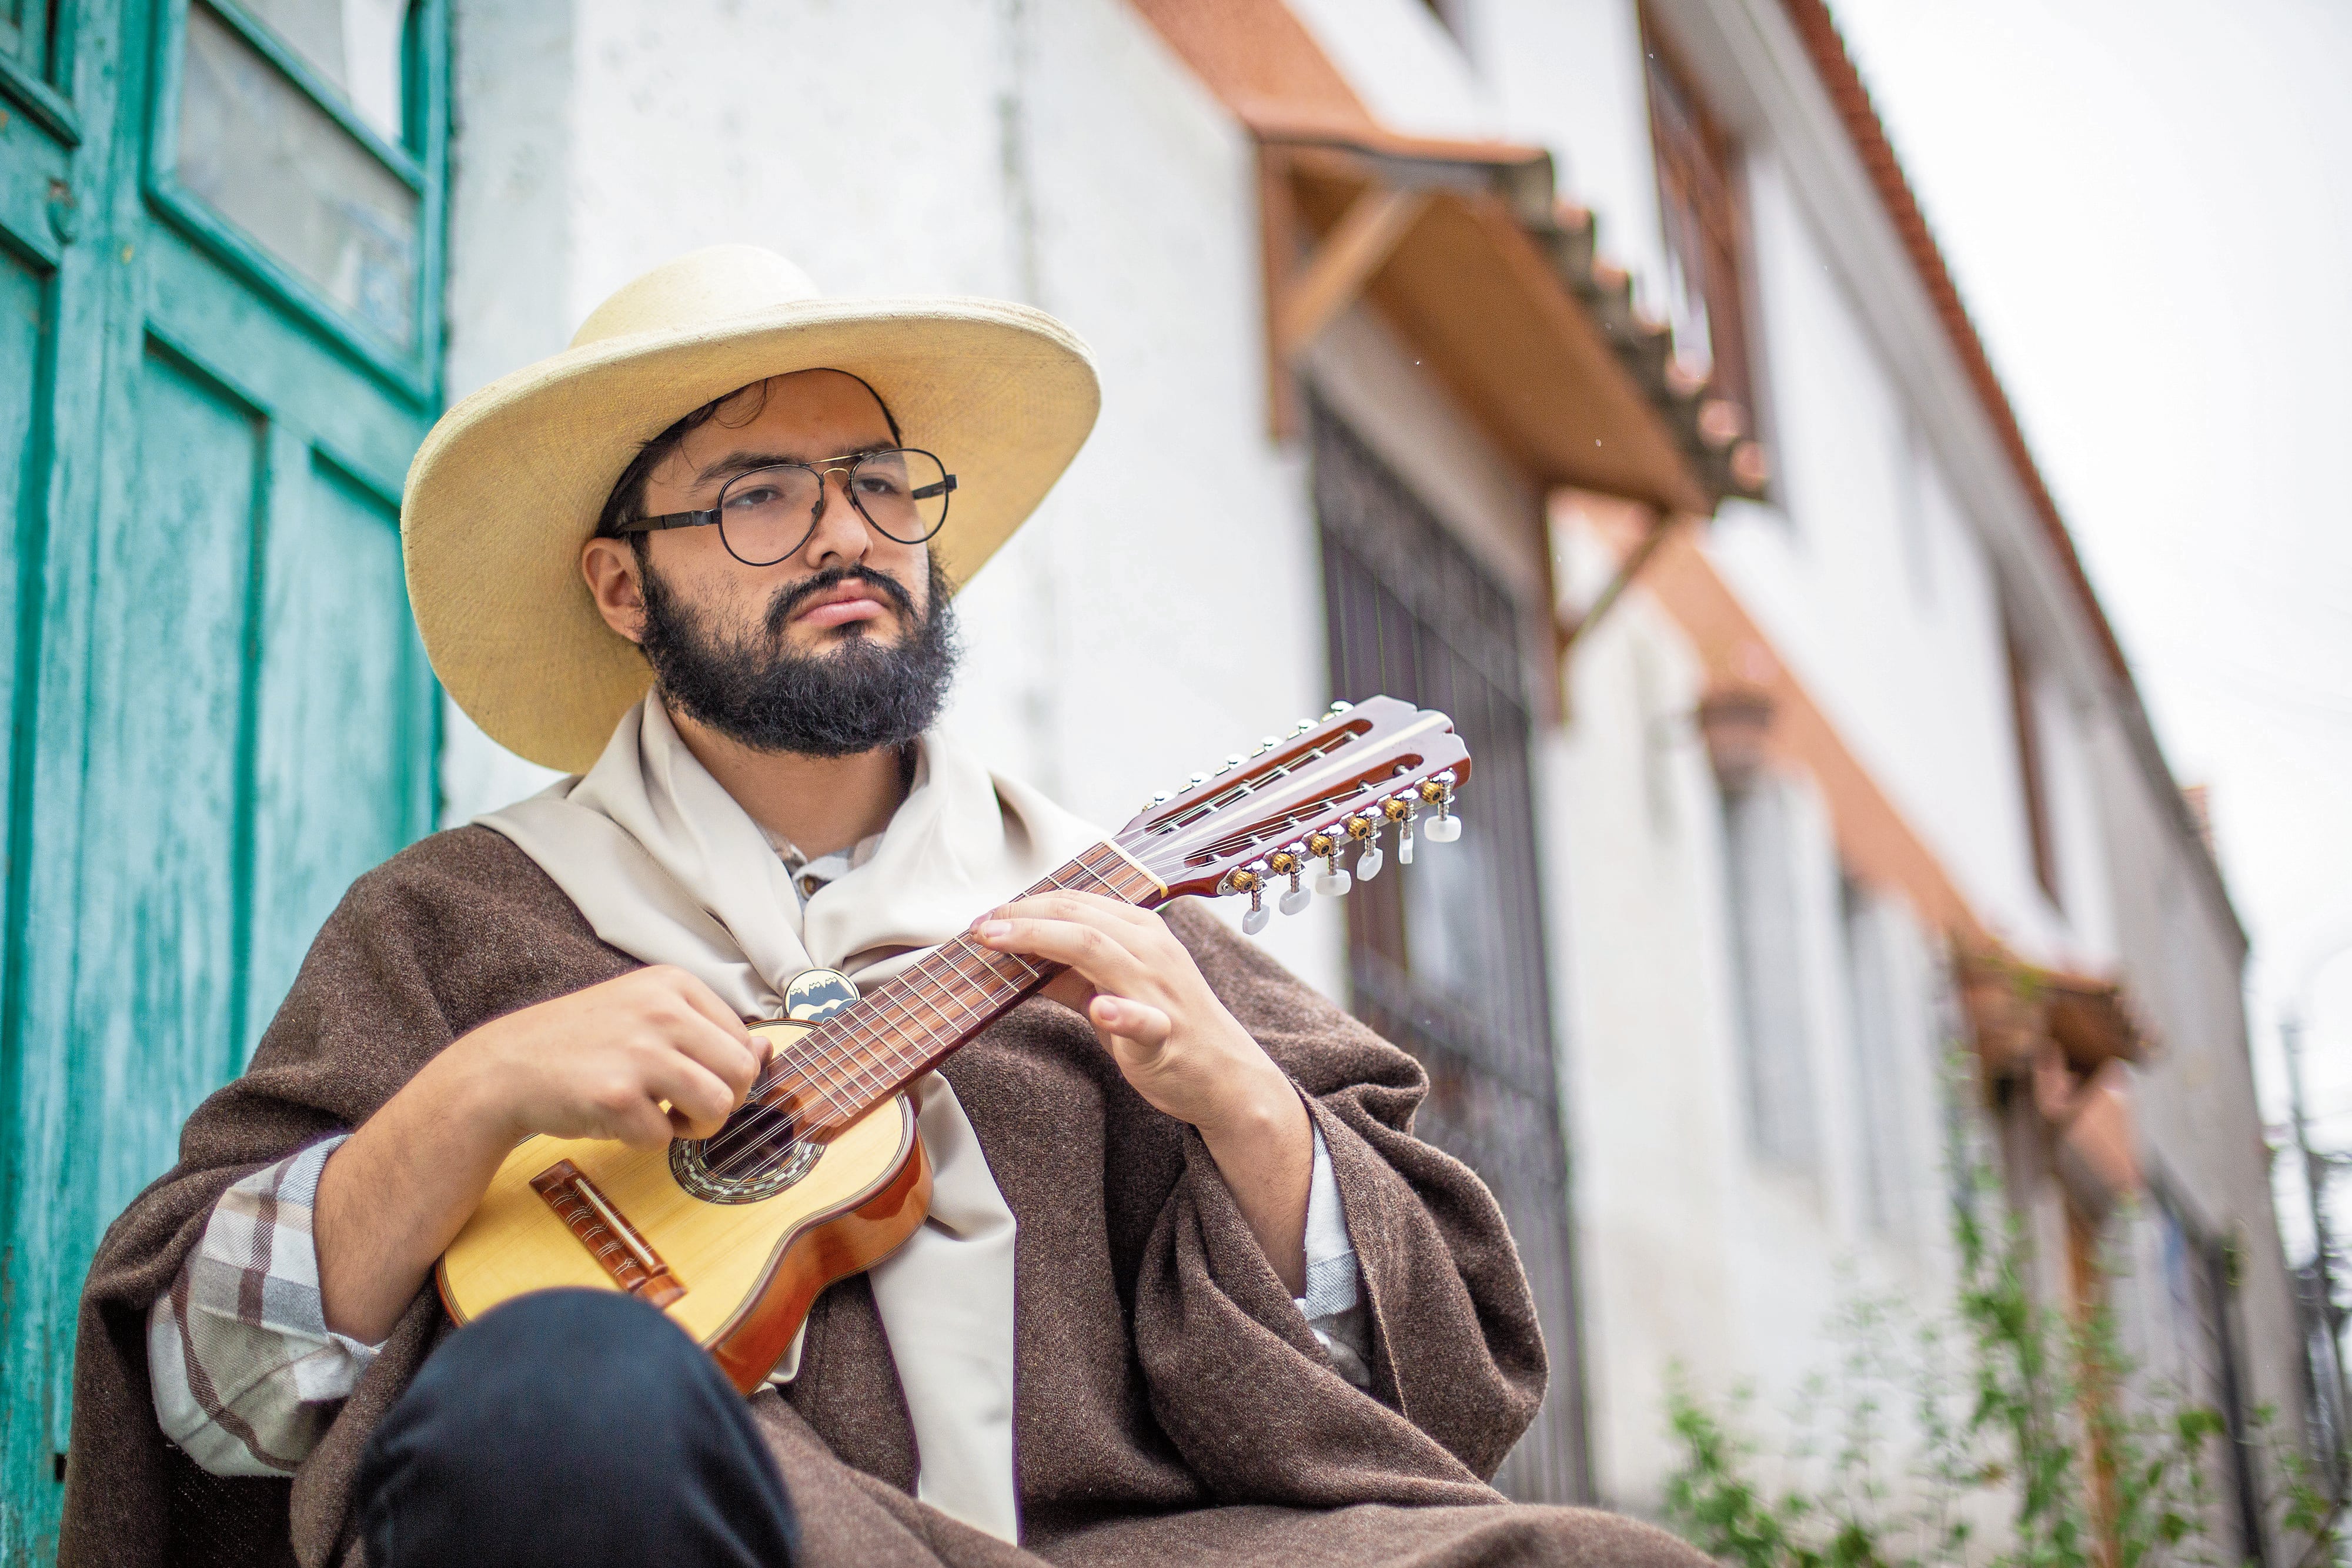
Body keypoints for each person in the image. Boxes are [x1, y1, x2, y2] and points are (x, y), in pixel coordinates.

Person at [61, 247, 1708, 1568]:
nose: (848, 534)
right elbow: (206, 1393)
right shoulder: (459, 922)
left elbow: (1439, 1392)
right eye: (761, 496)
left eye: (877, 483)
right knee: (561, 1398)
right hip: (729, 1525)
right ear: (624, 585)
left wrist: (1246, 1110)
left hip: (1136, 1550)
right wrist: (472, 1094)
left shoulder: (1120, 922)